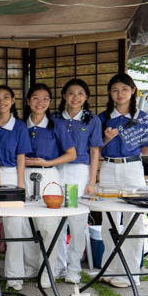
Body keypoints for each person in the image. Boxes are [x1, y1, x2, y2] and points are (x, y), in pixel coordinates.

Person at [98, 73, 148, 288]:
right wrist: (106, 138)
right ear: (110, 93)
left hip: (132, 168)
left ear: (133, 90)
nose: (120, 93)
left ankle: (130, 274)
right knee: (109, 221)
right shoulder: (103, 117)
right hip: (107, 168)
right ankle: (109, 269)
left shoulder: (142, 117)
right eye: (115, 90)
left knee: (134, 220)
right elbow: (95, 150)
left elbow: (145, 148)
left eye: (124, 89)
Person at [21, 83, 76, 289]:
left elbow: (71, 154)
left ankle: (48, 270)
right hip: (23, 176)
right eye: (35, 98)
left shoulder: (57, 125)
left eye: (45, 99)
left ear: (50, 102)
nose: (40, 103)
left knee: (48, 226)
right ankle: (29, 268)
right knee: (25, 225)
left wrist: (47, 162)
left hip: (49, 176)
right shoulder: (20, 125)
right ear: (28, 101)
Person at [52, 79, 103, 284]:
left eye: (80, 93)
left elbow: (94, 151)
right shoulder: (53, 118)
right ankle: (57, 266)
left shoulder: (92, 120)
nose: (75, 97)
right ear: (64, 96)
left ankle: (74, 269)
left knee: (78, 222)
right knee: (55, 222)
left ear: (86, 97)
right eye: (71, 93)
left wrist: (92, 181)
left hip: (80, 174)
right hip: (55, 172)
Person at [0, 85, 31, 291]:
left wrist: (20, 186)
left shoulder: (20, 126)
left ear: (13, 100)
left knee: (14, 227)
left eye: (6, 97)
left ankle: (14, 276)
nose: (1, 102)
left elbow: (21, 157)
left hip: (11, 175)